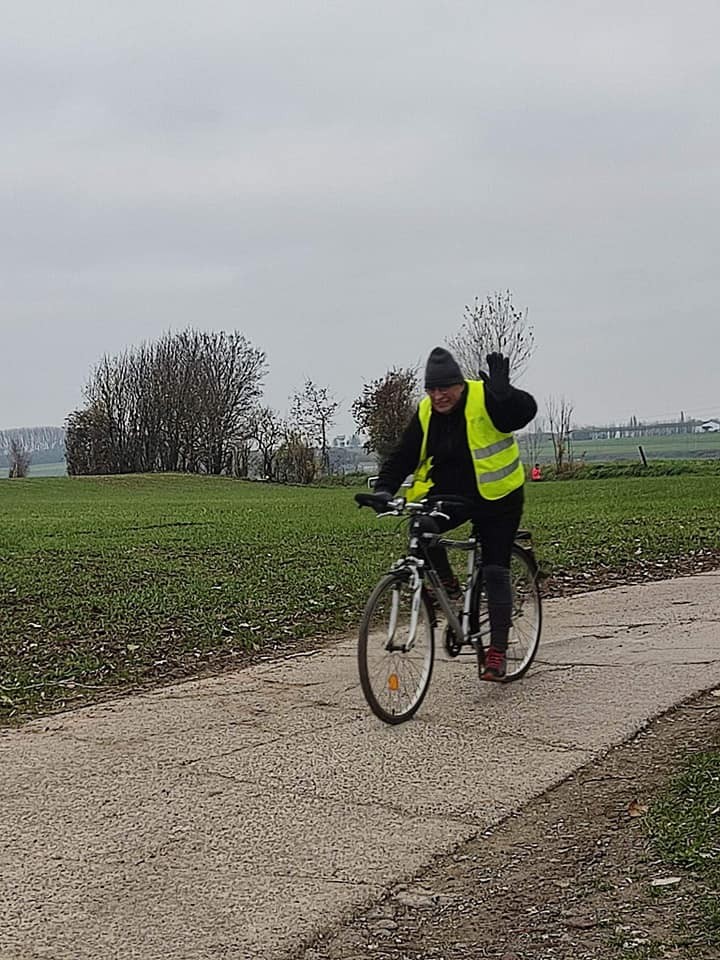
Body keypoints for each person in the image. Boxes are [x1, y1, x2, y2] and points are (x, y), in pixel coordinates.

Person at [372, 346, 537, 681]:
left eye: (445, 388)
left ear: (460, 384)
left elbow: (519, 415)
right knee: (422, 527)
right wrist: (384, 489)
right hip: (452, 495)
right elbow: (404, 455)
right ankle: (448, 588)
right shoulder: (426, 412)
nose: (438, 396)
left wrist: (507, 395)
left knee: (495, 568)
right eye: (432, 389)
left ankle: (497, 652)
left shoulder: (485, 397)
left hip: (499, 497)